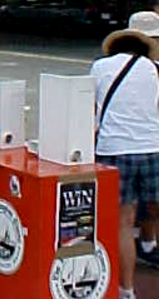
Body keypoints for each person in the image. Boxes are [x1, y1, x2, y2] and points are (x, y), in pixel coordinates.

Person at [91, 23, 159, 298]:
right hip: (153, 148)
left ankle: (126, 290)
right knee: (153, 207)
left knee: (122, 221)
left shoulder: (99, 67)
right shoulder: (155, 69)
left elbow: (91, 107)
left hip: (113, 149)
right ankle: (148, 240)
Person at [127, 8, 159, 269]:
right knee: (151, 198)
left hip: (116, 144)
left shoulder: (105, 65)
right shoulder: (154, 70)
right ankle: (146, 243)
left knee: (125, 207)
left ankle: (140, 242)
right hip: (150, 143)